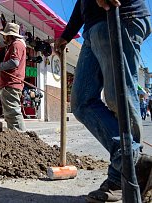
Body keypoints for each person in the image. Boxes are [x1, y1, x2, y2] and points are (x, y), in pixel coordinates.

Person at [54, 0, 152, 202]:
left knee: (120, 98)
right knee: (81, 103)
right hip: (93, 25)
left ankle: (122, 177)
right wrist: (67, 34)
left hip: (121, 14)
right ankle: (134, 164)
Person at [0, 22, 27, 132]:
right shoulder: (17, 45)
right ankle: (16, 136)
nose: (3, 37)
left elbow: (14, 62)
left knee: (13, 113)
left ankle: (20, 136)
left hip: (11, 83)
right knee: (10, 114)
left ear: (9, 35)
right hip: (12, 84)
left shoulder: (16, 45)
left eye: (5, 35)